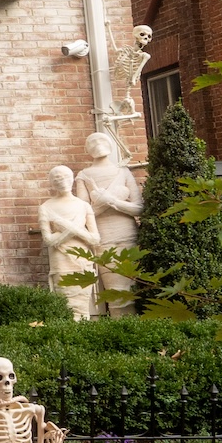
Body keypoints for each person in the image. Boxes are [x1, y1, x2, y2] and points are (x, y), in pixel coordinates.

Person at [72, 132, 143, 316]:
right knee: (115, 291)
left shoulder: (123, 172)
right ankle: (119, 327)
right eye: (92, 141)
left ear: (110, 145)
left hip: (128, 234)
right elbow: (84, 213)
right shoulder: (84, 175)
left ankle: (134, 329)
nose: (97, 143)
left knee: (130, 288)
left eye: (101, 140)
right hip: (105, 237)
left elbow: (139, 209)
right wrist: (102, 204)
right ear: (87, 150)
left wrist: (114, 201)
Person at [41, 166, 102, 320]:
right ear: (52, 183)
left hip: (82, 259)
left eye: (66, 177)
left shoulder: (83, 206)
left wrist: (69, 227)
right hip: (61, 260)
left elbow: (95, 239)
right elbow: (48, 240)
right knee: (65, 302)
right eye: (57, 178)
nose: (62, 181)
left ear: (72, 179)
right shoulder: (45, 207)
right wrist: (72, 228)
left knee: (82, 305)